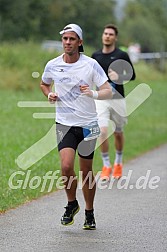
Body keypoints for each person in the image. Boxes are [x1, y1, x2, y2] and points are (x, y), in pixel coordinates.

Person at [40, 24, 112, 230]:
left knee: (86, 170)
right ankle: (72, 204)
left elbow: (107, 90)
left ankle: (89, 213)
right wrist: (49, 94)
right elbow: (44, 84)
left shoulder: (91, 65)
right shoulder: (52, 64)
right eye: (65, 39)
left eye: (72, 39)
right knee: (65, 166)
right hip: (64, 123)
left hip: (89, 124)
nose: (68, 43)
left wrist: (93, 93)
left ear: (79, 42)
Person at [92, 24, 136, 180]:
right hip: (101, 99)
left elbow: (132, 75)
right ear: (102, 36)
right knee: (102, 132)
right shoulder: (95, 56)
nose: (107, 36)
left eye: (111, 34)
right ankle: (106, 165)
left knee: (118, 133)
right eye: (105, 33)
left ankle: (118, 162)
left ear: (115, 37)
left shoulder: (122, 55)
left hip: (118, 98)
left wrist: (120, 77)